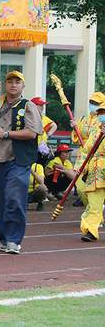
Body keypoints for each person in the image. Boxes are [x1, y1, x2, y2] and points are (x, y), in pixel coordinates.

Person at [0, 71, 42, 254]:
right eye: (10, 81)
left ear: (23, 85)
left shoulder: (28, 106)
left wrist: (7, 134)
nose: (13, 84)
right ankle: (4, 239)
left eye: (17, 81)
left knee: (14, 198)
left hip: (17, 160)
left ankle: (14, 240)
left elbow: (32, 133)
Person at [77, 102, 105, 242]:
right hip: (95, 171)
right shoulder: (96, 131)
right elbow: (87, 150)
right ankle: (91, 230)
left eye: (104, 113)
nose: (101, 116)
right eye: (100, 113)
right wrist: (83, 167)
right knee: (95, 203)